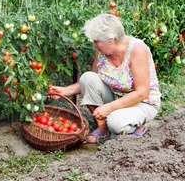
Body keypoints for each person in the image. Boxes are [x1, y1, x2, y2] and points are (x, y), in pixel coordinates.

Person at [49, 13, 161, 144]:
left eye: (96, 41)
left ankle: (138, 124)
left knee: (115, 123)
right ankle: (102, 128)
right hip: (116, 96)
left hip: (142, 102)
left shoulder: (137, 50)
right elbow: (90, 82)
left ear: (111, 40)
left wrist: (109, 108)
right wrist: (65, 91)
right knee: (87, 78)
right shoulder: (102, 51)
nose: (94, 44)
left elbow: (142, 92)